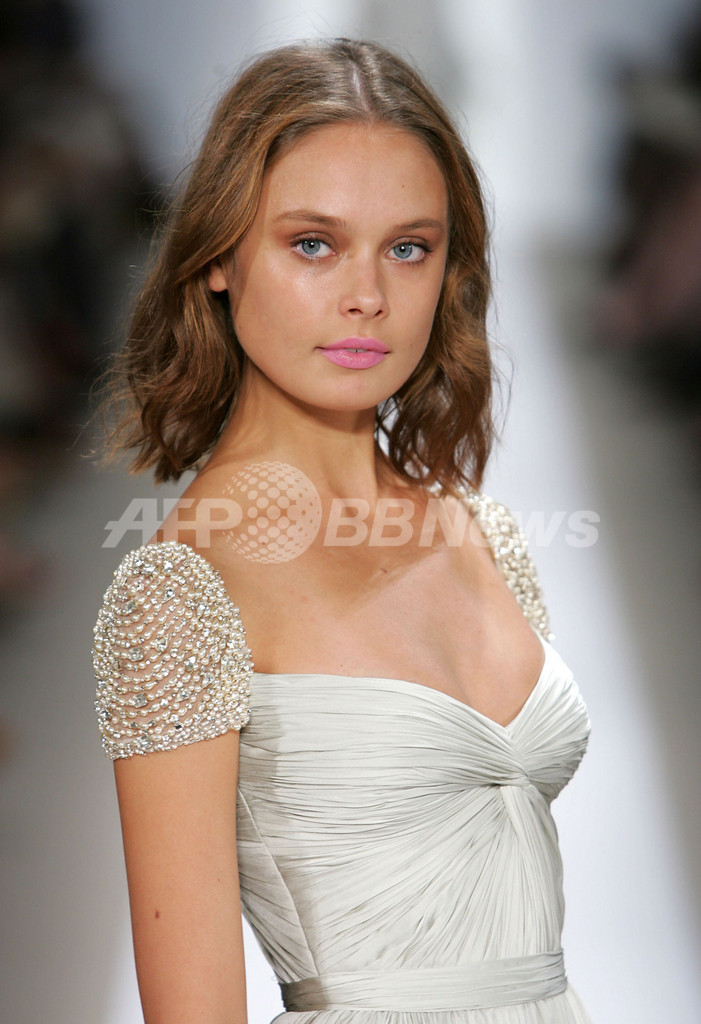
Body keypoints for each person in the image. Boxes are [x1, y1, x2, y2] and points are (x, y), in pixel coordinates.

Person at [92, 38, 592, 1024]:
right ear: (219, 258)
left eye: (407, 247)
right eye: (313, 244)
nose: (366, 295)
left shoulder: (486, 534)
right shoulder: (180, 596)